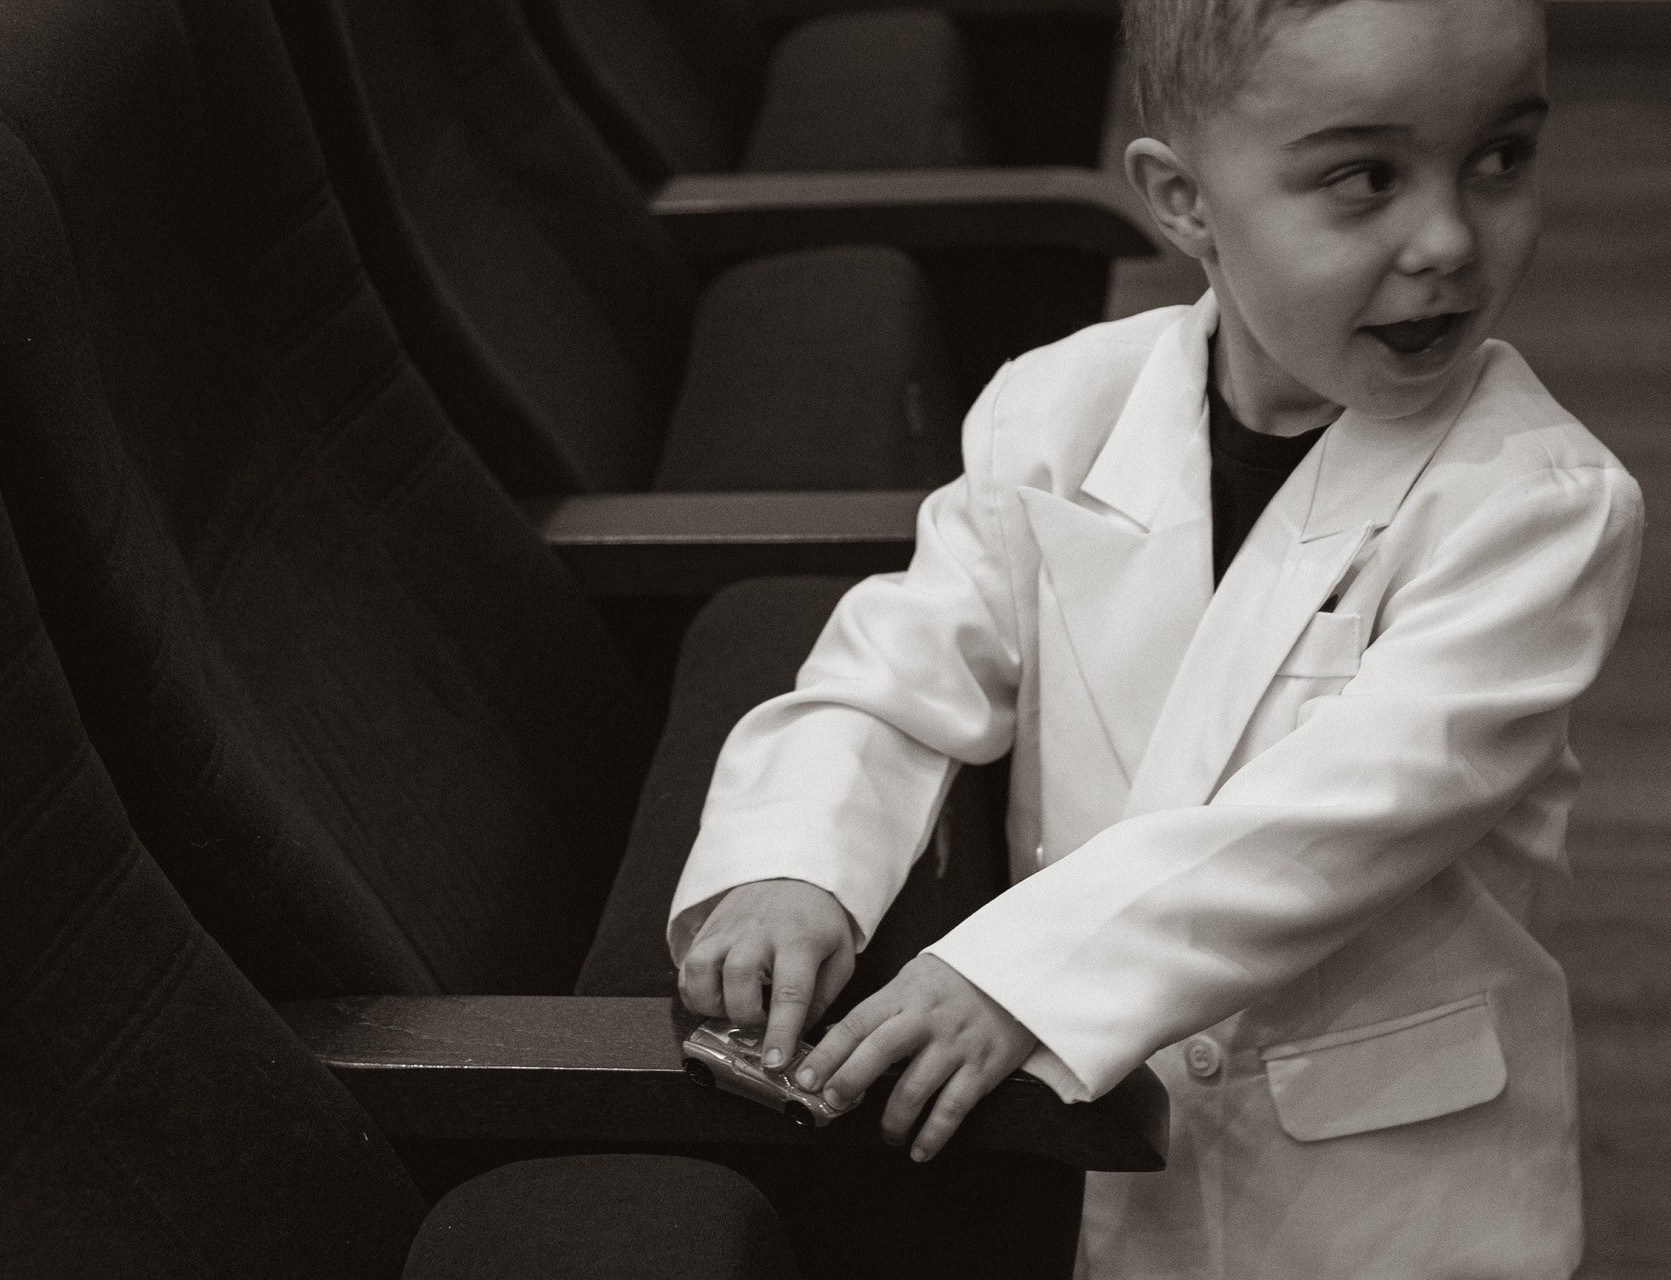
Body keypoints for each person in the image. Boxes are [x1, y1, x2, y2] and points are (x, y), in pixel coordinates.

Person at [666, 0, 1646, 1273]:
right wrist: (795, 859)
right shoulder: (1057, 406)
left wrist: (1020, 972)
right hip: (1111, 1155)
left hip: (1389, 1194)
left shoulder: (1540, 504)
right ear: (1183, 201)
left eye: (1500, 159)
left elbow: (1333, 817)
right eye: (1366, 179)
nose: (1450, 240)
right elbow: (901, 668)